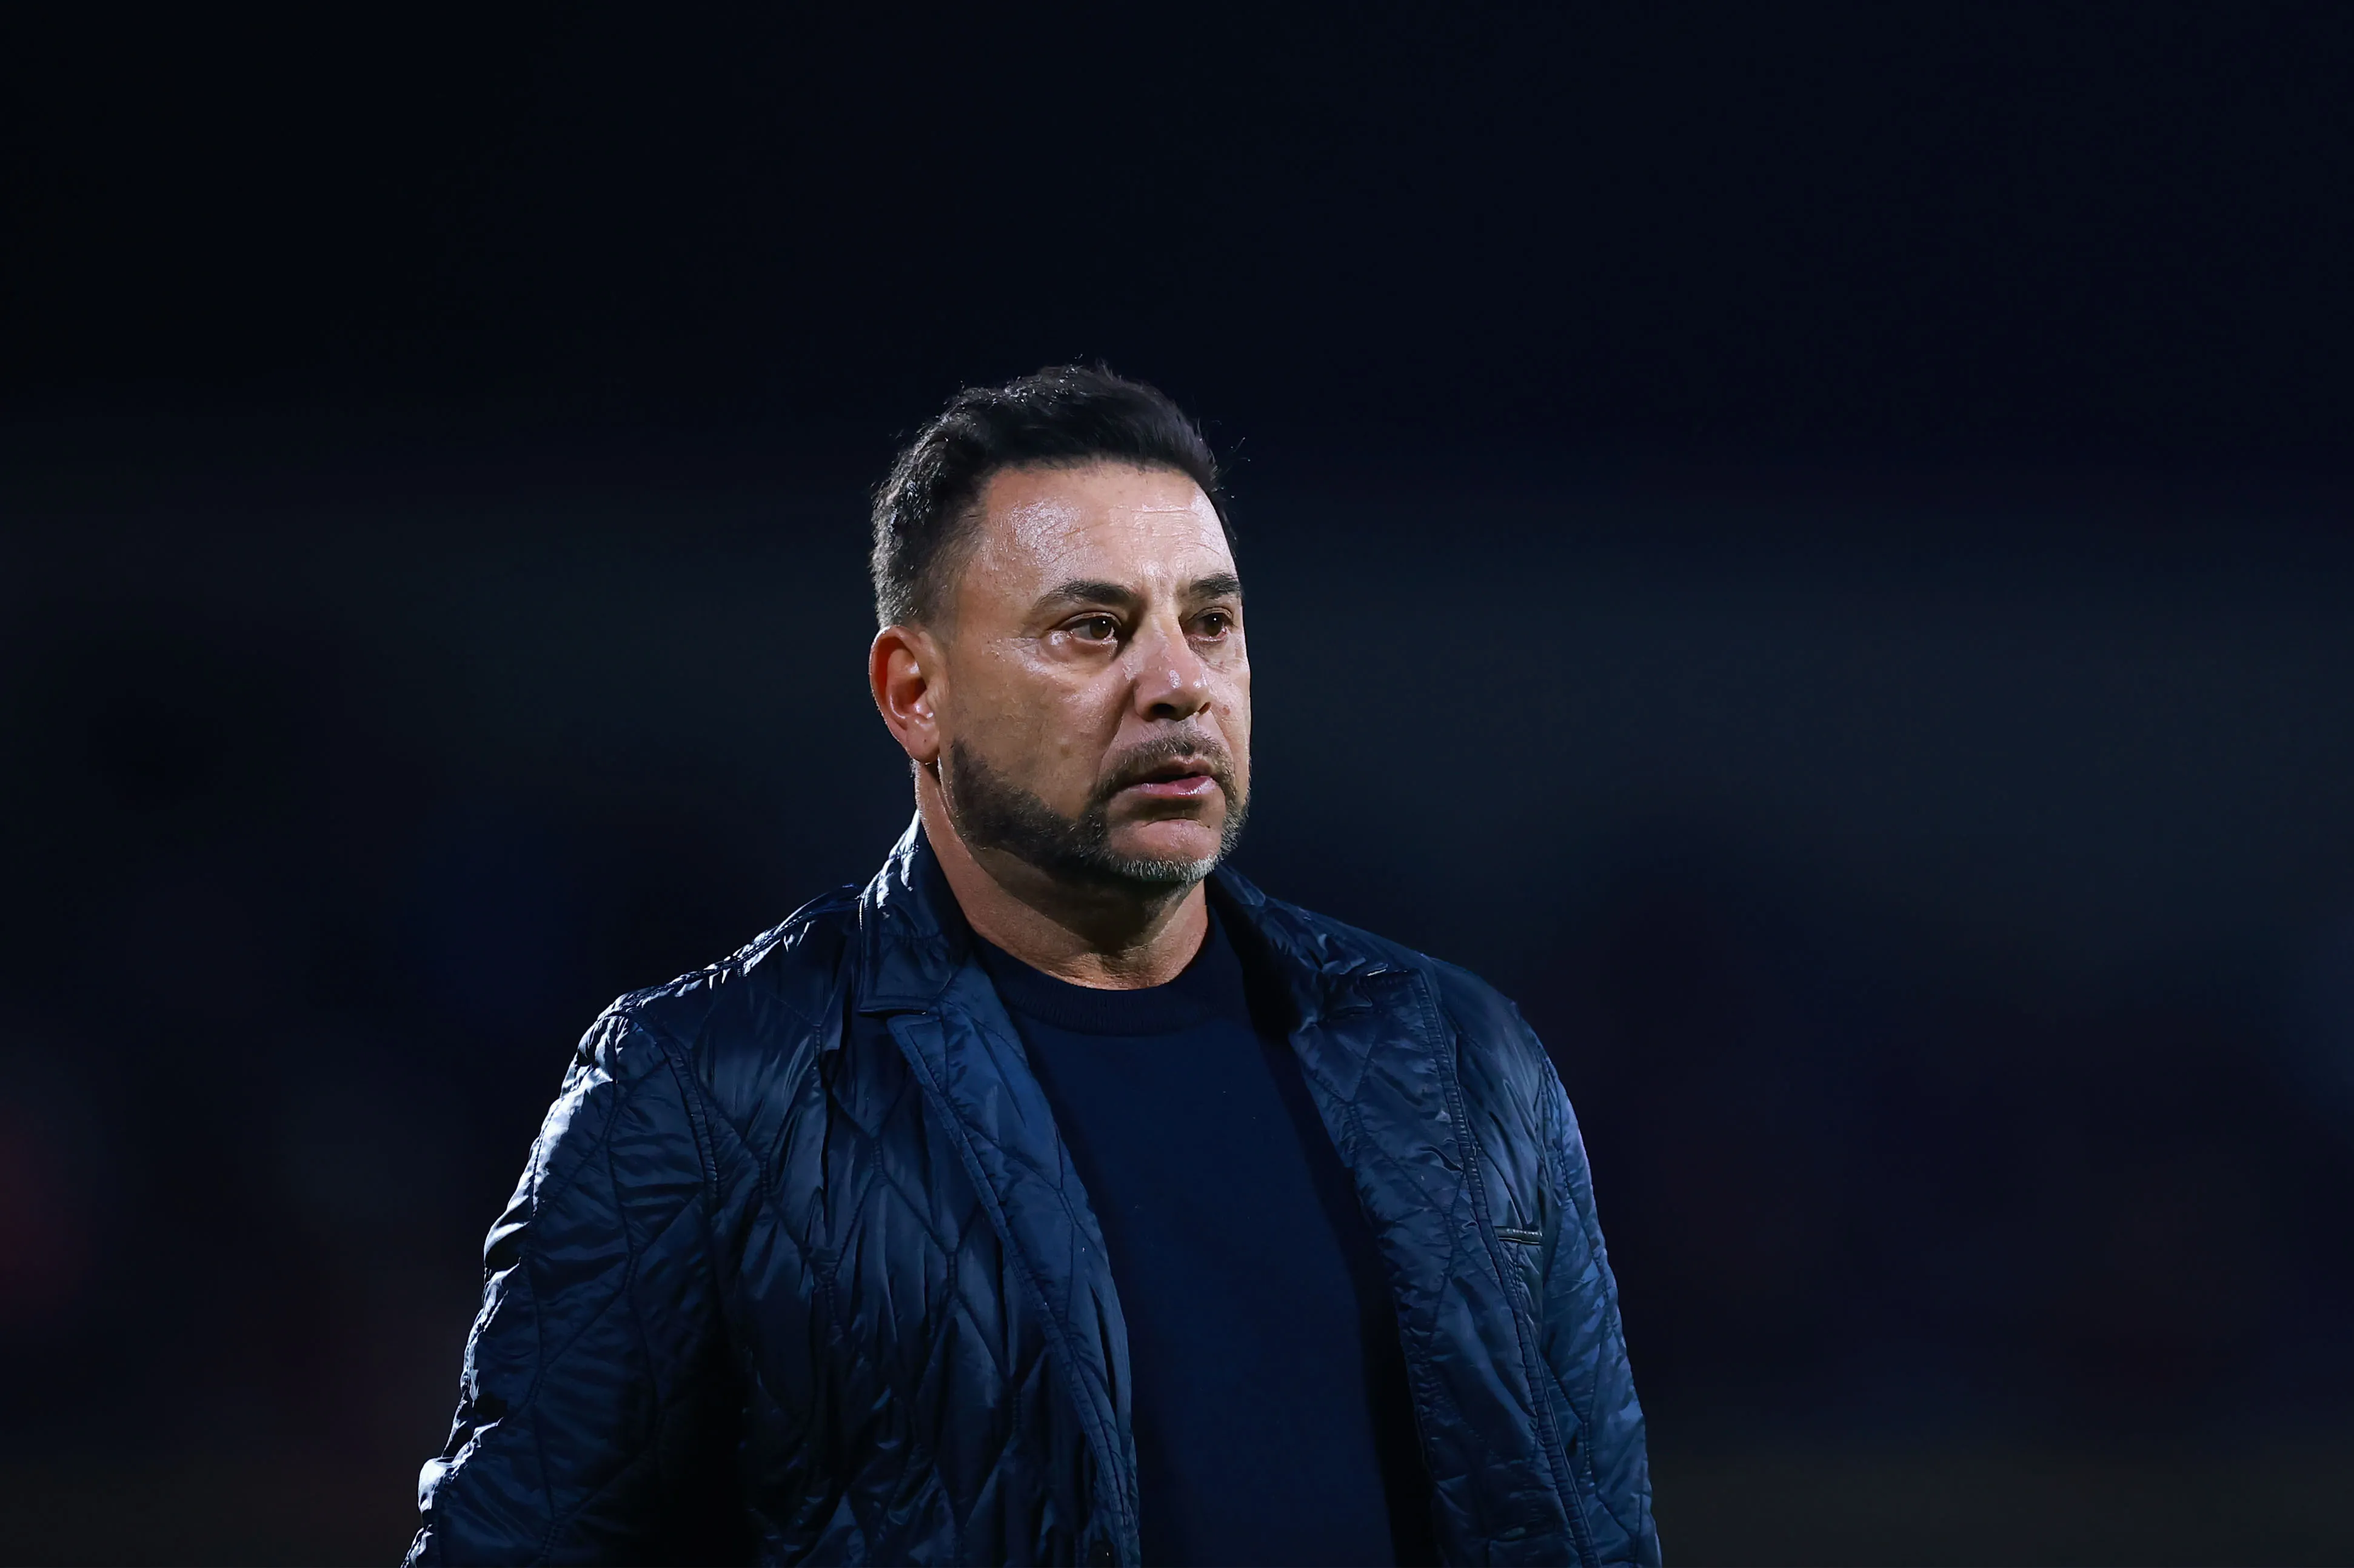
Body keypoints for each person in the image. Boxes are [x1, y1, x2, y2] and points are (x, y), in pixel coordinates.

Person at [406, 366, 1657, 1567]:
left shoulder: (1460, 1058)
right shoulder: (700, 1094)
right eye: (1093, 630)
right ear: (915, 692)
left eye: (1211, 623)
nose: (1179, 685)